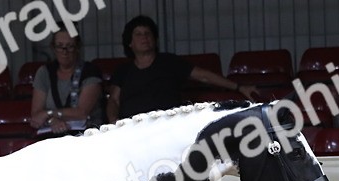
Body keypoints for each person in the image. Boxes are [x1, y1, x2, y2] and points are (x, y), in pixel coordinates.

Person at [106, 15, 261, 122]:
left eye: (148, 33)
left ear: (155, 39)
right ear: (129, 43)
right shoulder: (123, 70)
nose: (144, 37)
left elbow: (203, 76)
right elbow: (114, 99)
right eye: (138, 34)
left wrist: (239, 87)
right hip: (132, 128)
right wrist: (114, 121)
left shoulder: (169, 62)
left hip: (168, 125)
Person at [29, 28, 104, 135]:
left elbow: (82, 113)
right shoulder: (44, 72)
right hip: (51, 136)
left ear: (77, 48)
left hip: (86, 136)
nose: (65, 51)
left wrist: (49, 113)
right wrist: (52, 120)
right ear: (53, 48)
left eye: (70, 46)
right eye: (60, 46)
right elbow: (36, 116)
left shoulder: (90, 71)